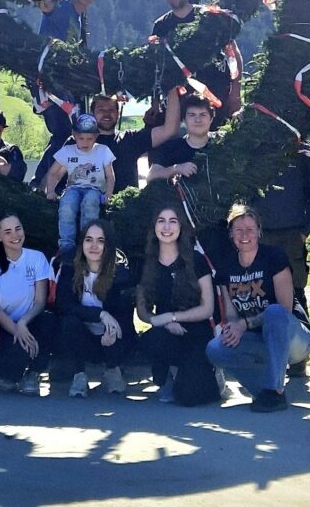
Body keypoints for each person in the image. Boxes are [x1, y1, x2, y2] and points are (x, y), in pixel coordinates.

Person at [206, 204, 310, 413]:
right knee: (215, 348)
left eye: (250, 229)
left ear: (259, 231)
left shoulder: (274, 257)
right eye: (238, 229)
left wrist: (244, 324)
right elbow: (230, 314)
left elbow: (284, 310)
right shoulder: (226, 267)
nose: (245, 234)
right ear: (231, 234)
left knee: (274, 312)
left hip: (292, 339)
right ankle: (268, 393)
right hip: (259, 341)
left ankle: (274, 389)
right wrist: (232, 330)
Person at [136, 203, 220, 406]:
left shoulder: (196, 260)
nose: (166, 227)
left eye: (172, 221)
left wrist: (173, 317)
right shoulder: (146, 263)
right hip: (165, 331)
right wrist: (160, 322)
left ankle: (208, 373)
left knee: (190, 398)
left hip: (196, 333)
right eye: (161, 221)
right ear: (154, 227)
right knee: (151, 340)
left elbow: (207, 308)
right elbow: (142, 310)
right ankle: (166, 377)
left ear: (181, 227)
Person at [147, 93, 231, 268]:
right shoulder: (172, 147)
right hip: (185, 226)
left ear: (211, 119)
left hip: (220, 224)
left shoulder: (223, 145)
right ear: (184, 120)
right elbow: (152, 176)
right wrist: (176, 168)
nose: (197, 120)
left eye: (202, 115)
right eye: (192, 115)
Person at [31, 0, 102, 189]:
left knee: (69, 133)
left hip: (65, 86)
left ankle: (57, 183)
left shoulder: (78, 19)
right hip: (50, 82)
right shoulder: (63, 6)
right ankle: (40, 183)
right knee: (62, 131)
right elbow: (45, 3)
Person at [152, 0, 242, 128]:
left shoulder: (209, 16)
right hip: (180, 99)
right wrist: (155, 102)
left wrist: (235, 92)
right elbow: (157, 67)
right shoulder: (161, 25)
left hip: (218, 92)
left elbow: (233, 53)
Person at [55, 219, 134, 398]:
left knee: (119, 326)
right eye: (89, 240)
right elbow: (64, 305)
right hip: (83, 336)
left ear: (108, 245)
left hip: (110, 337)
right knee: (69, 322)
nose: (94, 246)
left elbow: (124, 310)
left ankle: (113, 368)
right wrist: (100, 314)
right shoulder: (69, 268)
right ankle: (79, 374)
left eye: (100, 241)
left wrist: (112, 330)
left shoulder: (120, 272)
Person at [0, 213, 53, 395]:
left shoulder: (37, 258)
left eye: (18, 229)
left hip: (28, 322)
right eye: (8, 232)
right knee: (12, 371)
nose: (15, 236)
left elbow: (40, 302)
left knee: (52, 324)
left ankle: (33, 373)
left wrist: (23, 323)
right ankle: (6, 371)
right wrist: (17, 331)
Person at [253, 154, 310, 316]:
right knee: (261, 288)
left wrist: (305, 231)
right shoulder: (255, 147)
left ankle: (302, 333)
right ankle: (261, 332)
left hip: (293, 235)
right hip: (261, 234)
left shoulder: (304, 154)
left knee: (296, 288)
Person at [87, 88, 181, 194]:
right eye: (101, 110)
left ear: (118, 113)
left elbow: (170, 129)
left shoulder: (130, 139)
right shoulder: (79, 143)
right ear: (92, 114)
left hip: (125, 207)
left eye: (111, 110)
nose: (107, 114)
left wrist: (172, 87)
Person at [45, 114, 115, 255]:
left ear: (96, 136)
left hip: (95, 189)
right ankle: (66, 245)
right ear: (74, 135)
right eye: (81, 138)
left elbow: (110, 175)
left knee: (90, 203)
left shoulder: (103, 151)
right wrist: (50, 191)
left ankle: (87, 241)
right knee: (67, 205)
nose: (85, 142)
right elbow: (53, 173)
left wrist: (108, 193)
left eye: (89, 138)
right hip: (73, 188)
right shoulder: (67, 151)